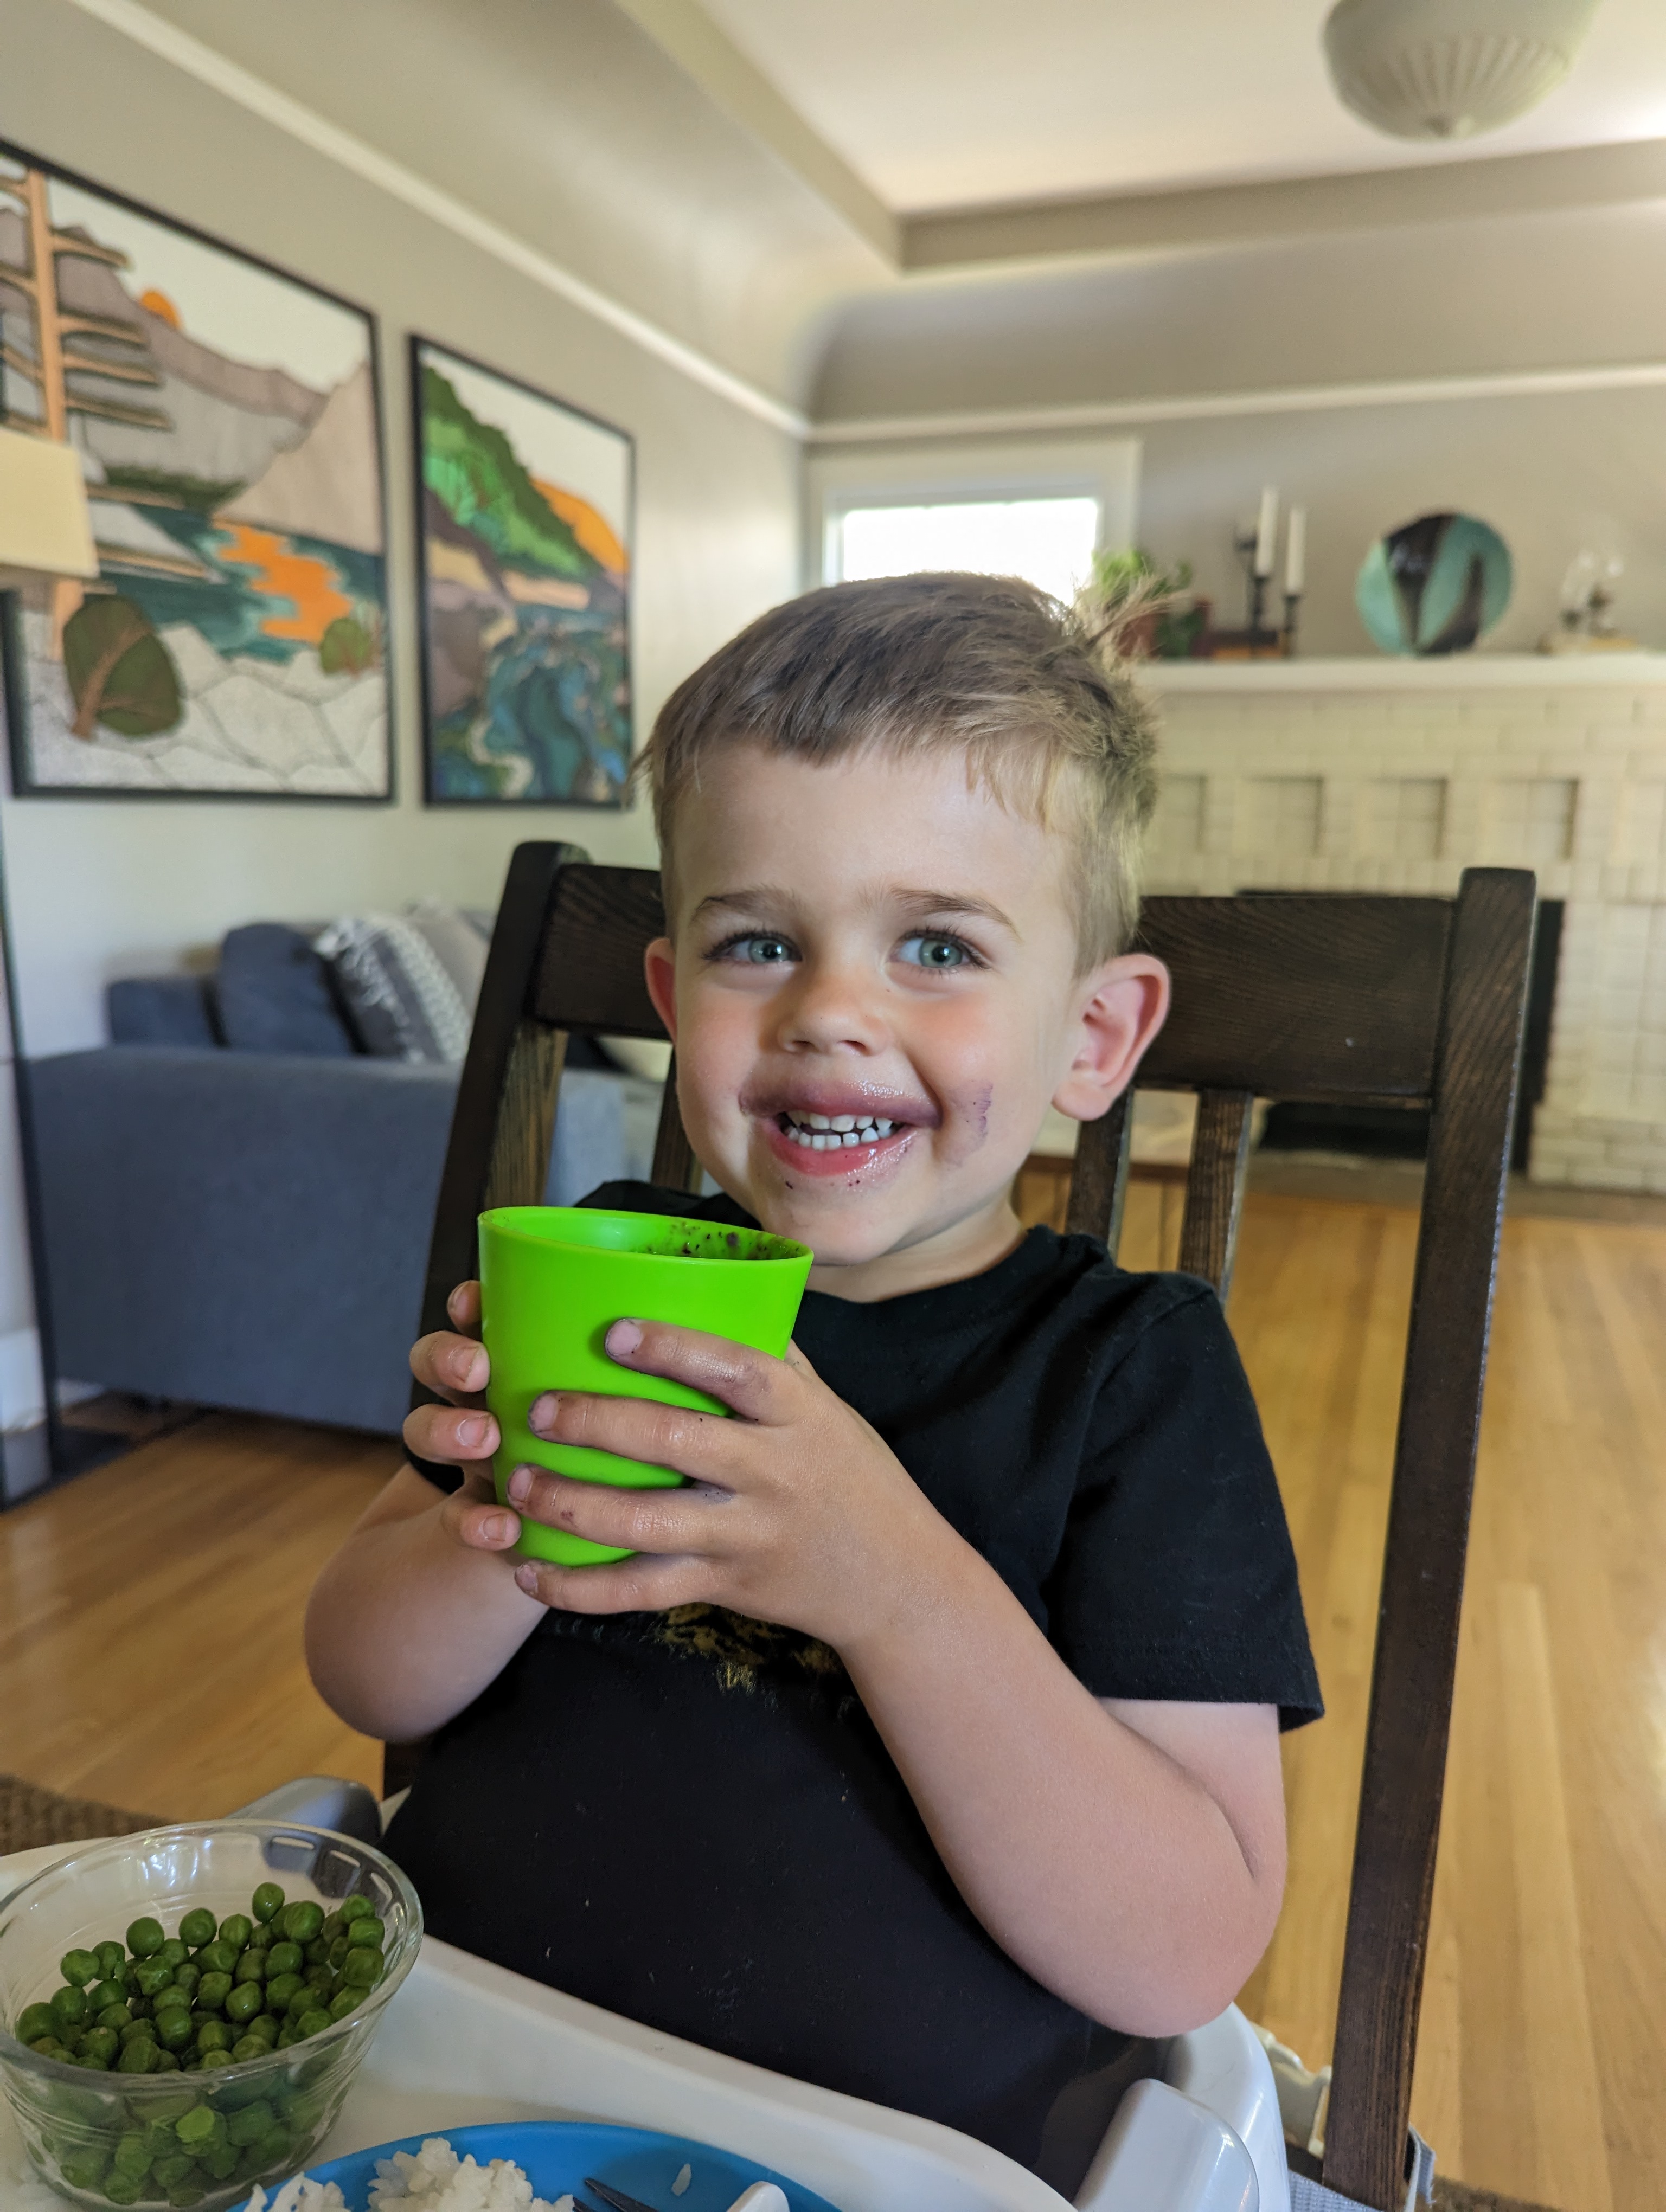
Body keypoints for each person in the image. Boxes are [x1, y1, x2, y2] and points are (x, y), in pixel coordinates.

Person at [305, 573, 1320, 2183]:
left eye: (938, 946)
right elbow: (366, 1676)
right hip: (450, 2102)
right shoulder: (609, 1269)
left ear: (1093, 1037)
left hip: (888, 2163)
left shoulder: (1133, 1375)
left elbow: (1182, 1950)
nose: (830, 1012)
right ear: (673, 1005)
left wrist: (892, 1585)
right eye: (759, 943)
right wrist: (502, 1512)